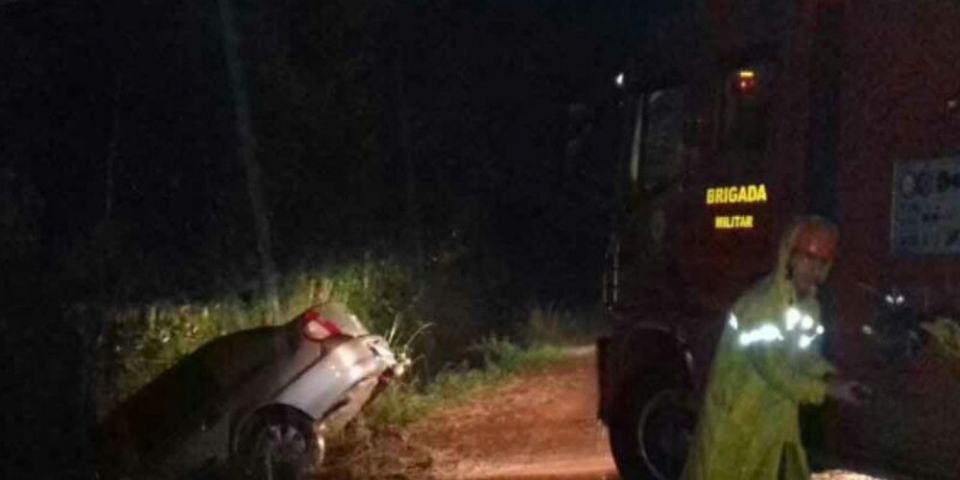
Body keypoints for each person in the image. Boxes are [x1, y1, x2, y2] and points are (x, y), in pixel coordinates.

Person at [681, 216, 866, 480]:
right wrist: (828, 389)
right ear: (789, 257)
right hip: (734, 425)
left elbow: (806, 357)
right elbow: (775, 369)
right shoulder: (760, 305)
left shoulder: (809, 308)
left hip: (770, 426)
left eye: (821, 263)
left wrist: (834, 377)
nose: (812, 270)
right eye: (807, 259)